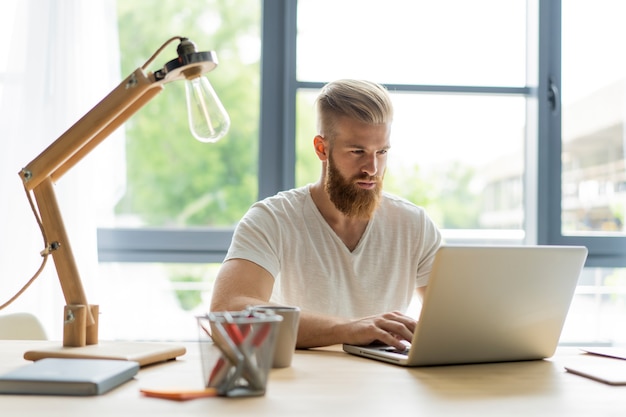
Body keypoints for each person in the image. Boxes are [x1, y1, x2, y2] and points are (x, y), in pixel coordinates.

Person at [210, 79, 442, 351]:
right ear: (321, 148)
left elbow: (457, 318)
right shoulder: (272, 218)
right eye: (357, 152)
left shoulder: (414, 225)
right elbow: (226, 313)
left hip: (385, 385)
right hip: (301, 386)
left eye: (382, 152)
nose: (372, 168)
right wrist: (350, 330)